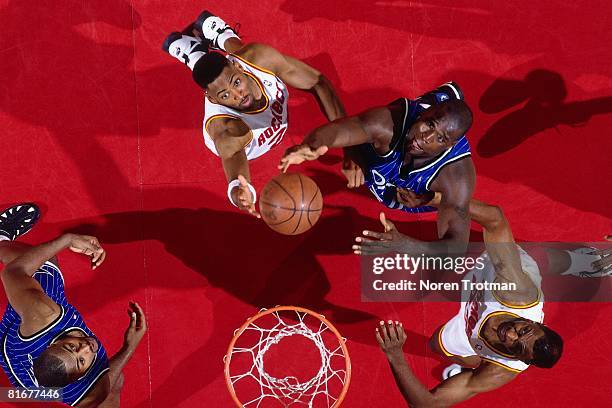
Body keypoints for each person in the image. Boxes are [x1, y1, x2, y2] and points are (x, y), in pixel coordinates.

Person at [372, 195, 566, 407]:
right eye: (522, 331)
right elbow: (495, 219)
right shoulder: (516, 293)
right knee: (454, 246)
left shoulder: (500, 370)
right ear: (536, 323)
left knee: (436, 345)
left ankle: (472, 367)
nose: (510, 334)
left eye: (516, 347)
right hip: (494, 270)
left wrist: (395, 355)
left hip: (472, 309)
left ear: (521, 360)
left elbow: (426, 404)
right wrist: (432, 199)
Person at [163, 10, 355, 216]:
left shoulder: (256, 59)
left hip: (242, 63)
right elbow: (235, 159)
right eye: (226, 96)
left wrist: (350, 147)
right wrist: (240, 192)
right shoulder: (227, 129)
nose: (238, 95)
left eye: (237, 83)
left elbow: (318, 82)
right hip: (249, 143)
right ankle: (194, 54)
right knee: (215, 74)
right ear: (213, 100)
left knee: (244, 53)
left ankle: (222, 37)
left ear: (237, 65)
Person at [280, 82, 475, 256]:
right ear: (423, 113)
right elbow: (341, 129)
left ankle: (446, 99)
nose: (427, 137)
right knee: (368, 143)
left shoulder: (456, 175)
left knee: (488, 214)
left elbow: (456, 248)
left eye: (440, 138)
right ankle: (444, 95)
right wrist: (313, 145)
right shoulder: (388, 122)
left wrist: (407, 245)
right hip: (386, 155)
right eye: (429, 124)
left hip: (416, 195)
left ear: (450, 146)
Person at [0, 203, 146, 407]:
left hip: (14, 352)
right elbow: (99, 394)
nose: (86, 347)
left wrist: (67, 240)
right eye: (82, 360)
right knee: (116, 381)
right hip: (38, 390)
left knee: (46, 261)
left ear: (53, 344)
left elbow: (13, 272)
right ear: (79, 378)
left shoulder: (43, 314)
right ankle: (7, 395)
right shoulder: (85, 394)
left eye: (71, 347)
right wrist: (129, 347)